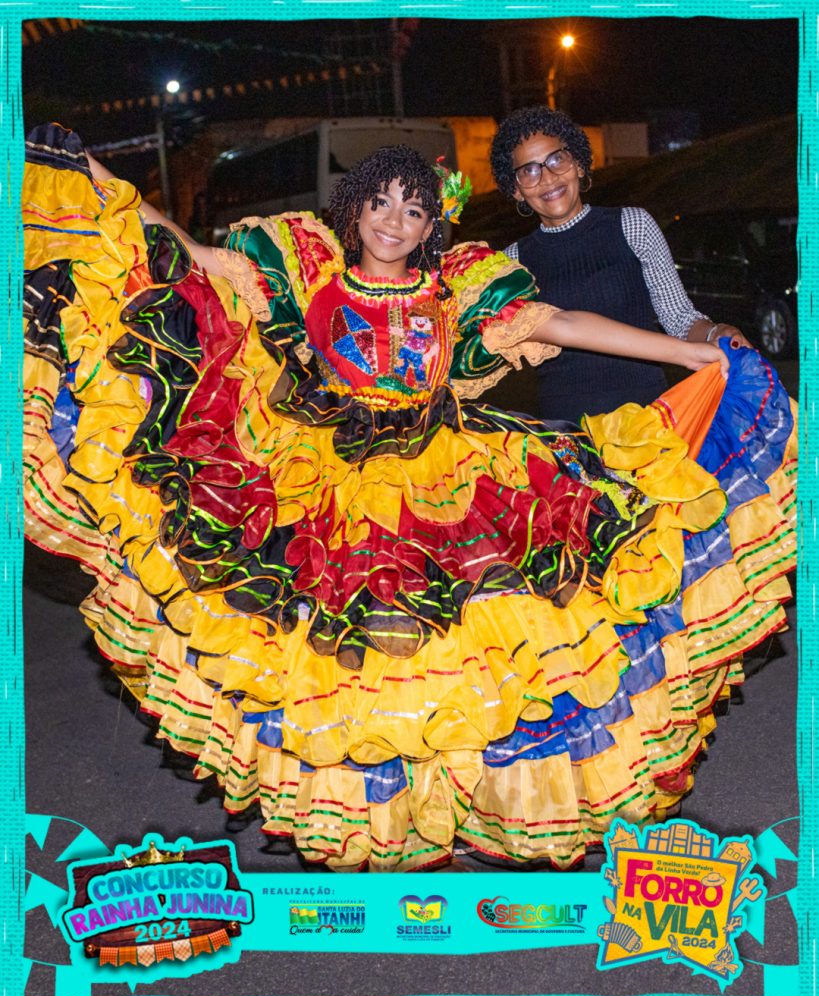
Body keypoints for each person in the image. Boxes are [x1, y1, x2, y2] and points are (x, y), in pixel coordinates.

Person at [23, 123, 796, 872]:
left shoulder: (456, 289)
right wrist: (91, 173)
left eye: (415, 208)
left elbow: (559, 322)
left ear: (431, 225)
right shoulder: (303, 269)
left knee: (476, 661)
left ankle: (464, 809)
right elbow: (184, 253)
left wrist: (688, 353)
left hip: (451, 477)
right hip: (330, 483)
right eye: (381, 202)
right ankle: (386, 822)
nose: (395, 220)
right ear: (355, 208)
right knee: (355, 669)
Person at [490, 106, 751, 423]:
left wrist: (715, 333)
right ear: (516, 190)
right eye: (529, 171)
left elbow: (679, 318)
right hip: (566, 435)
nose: (547, 178)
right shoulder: (511, 263)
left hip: (646, 425)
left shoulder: (633, 226)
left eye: (556, 159)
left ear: (579, 164)